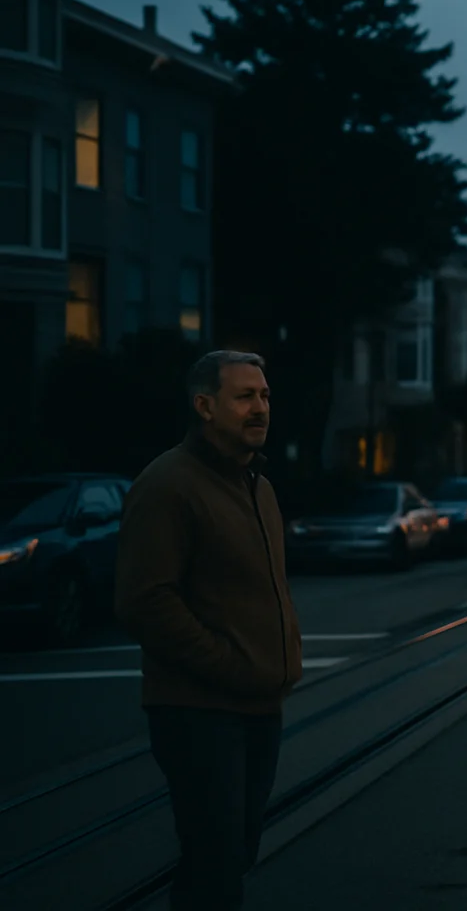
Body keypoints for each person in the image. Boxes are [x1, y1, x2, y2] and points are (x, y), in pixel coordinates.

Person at [116, 350, 302, 911]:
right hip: (199, 709)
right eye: (244, 396)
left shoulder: (258, 485)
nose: (260, 407)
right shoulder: (168, 485)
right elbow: (144, 601)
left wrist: (280, 657)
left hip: (258, 706)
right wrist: (229, 665)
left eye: (265, 395)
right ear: (205, 406)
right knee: (214, 862)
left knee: (237, 851)